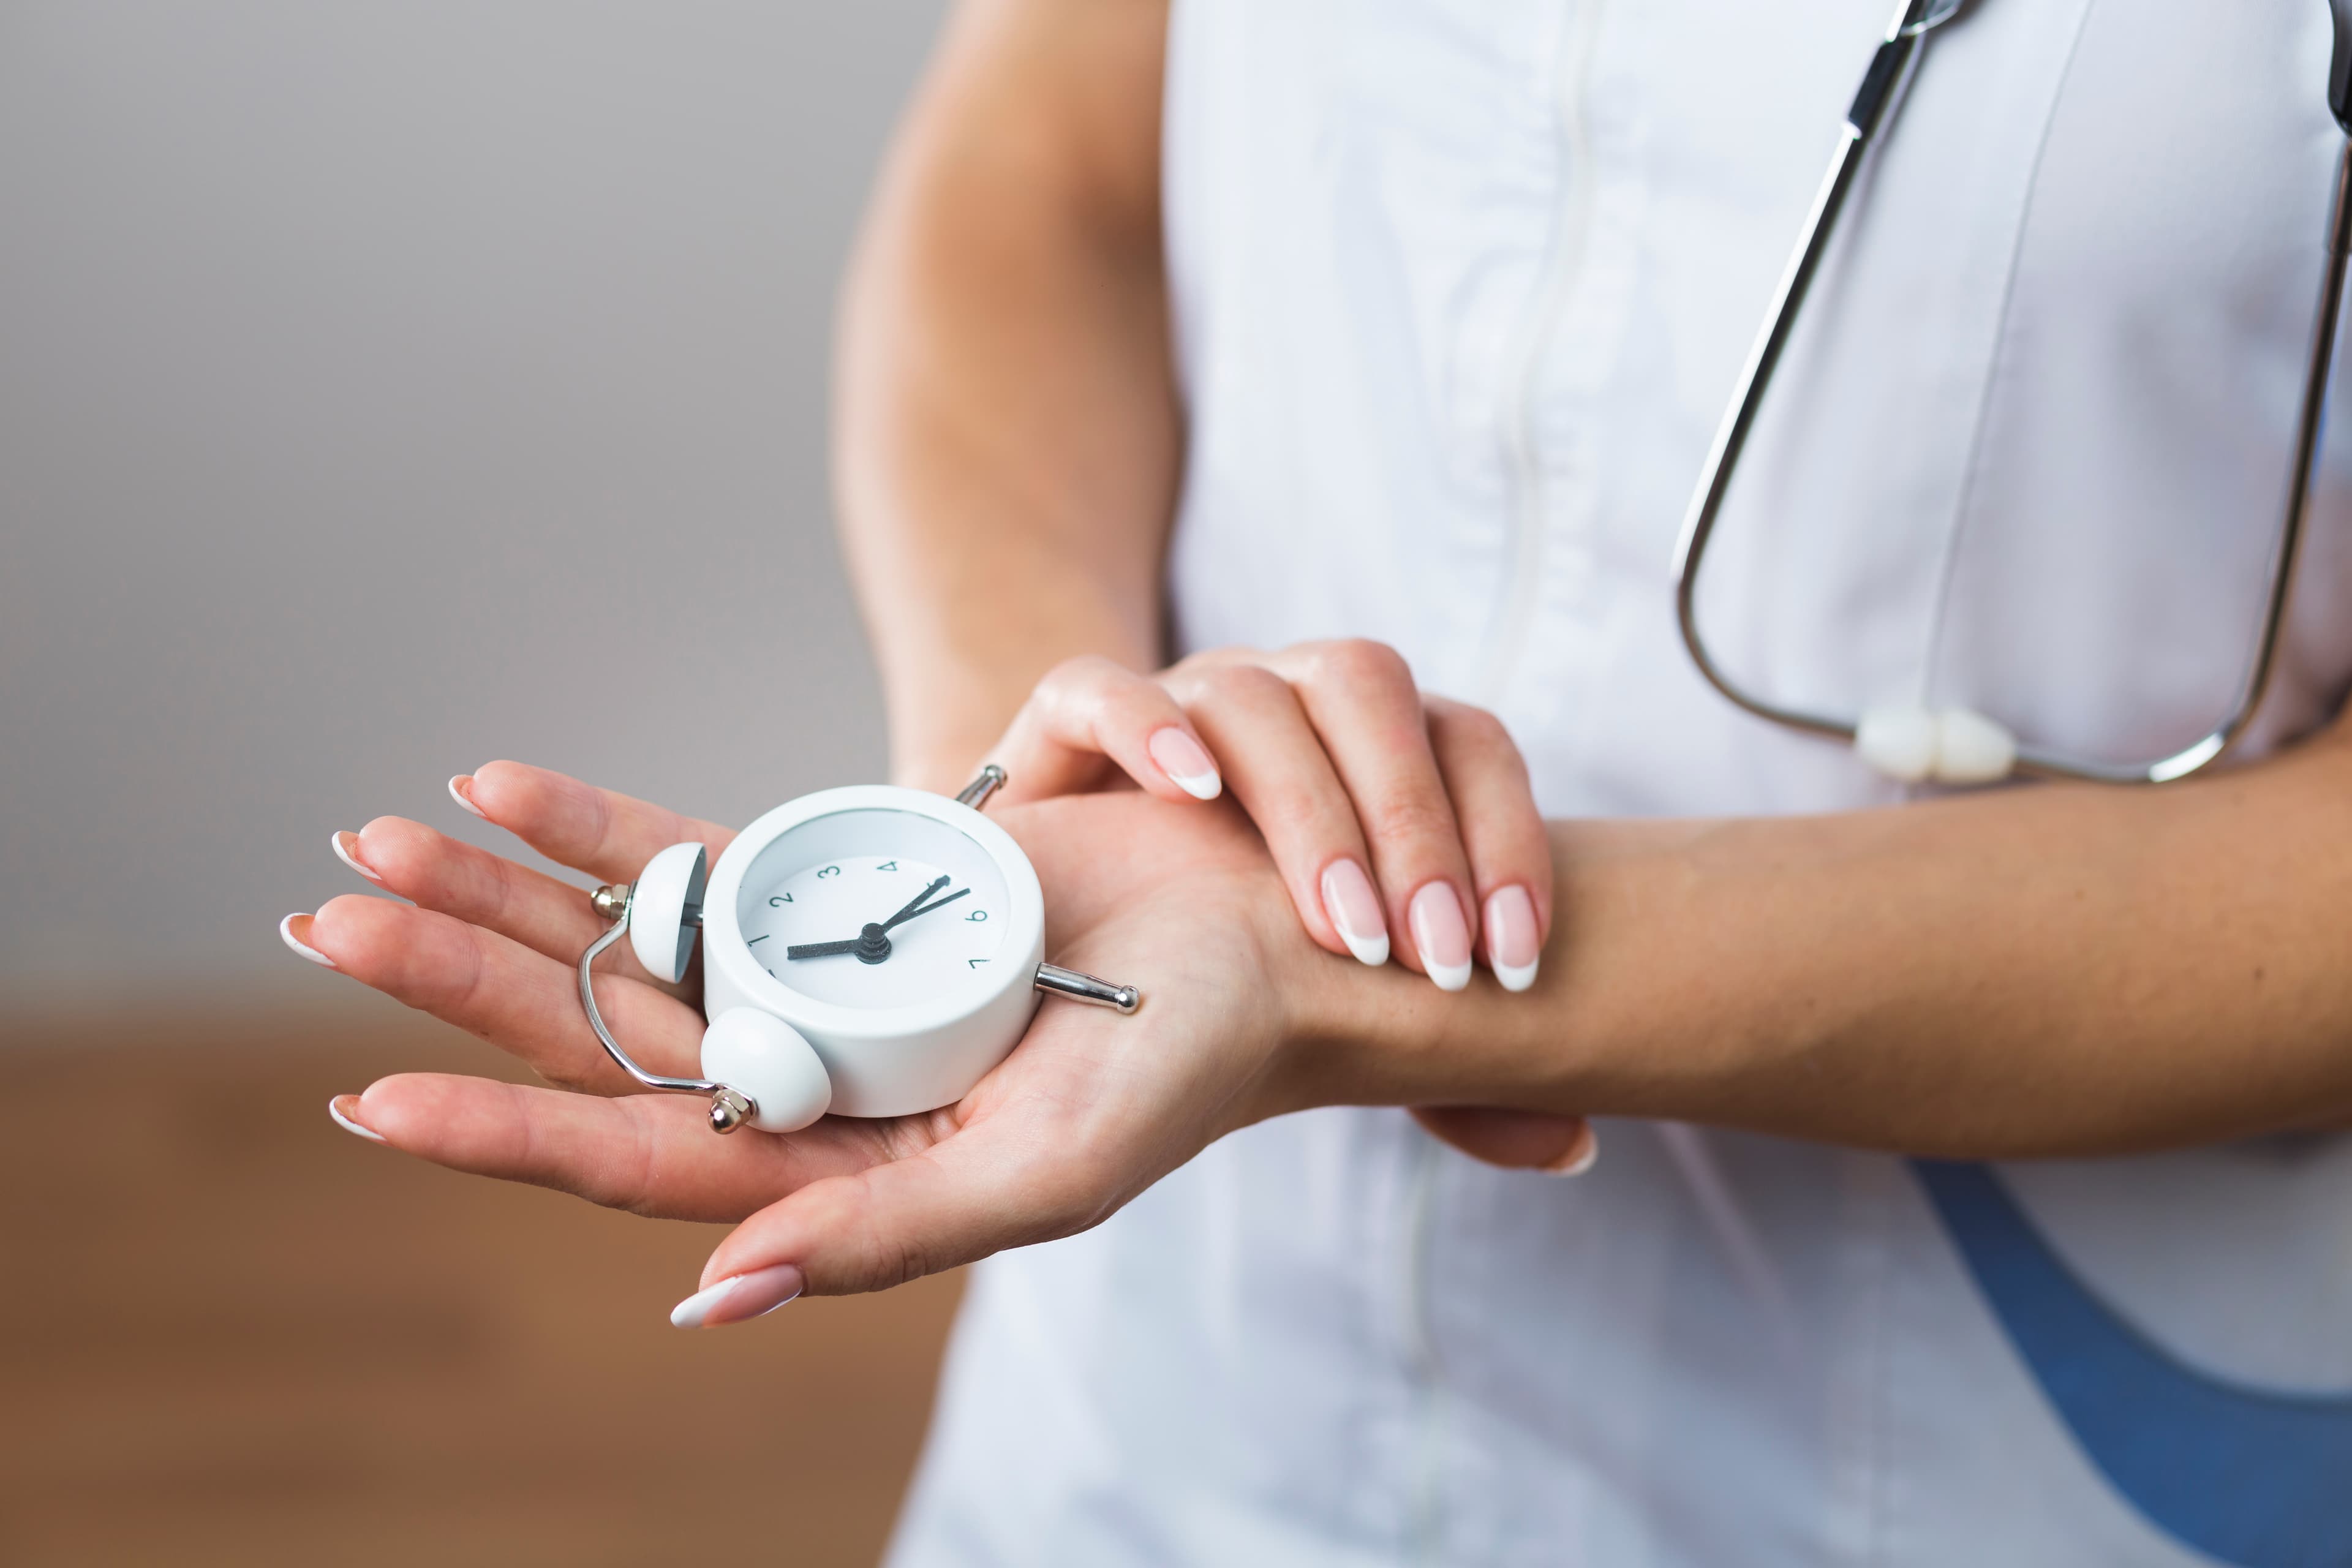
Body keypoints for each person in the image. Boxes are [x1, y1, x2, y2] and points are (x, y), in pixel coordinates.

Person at [284, 1, 2352, 1561]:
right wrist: (1006, 827)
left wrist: (1346, 962)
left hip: (2009, 1449)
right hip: (1176, 1399)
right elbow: (1047, 165)